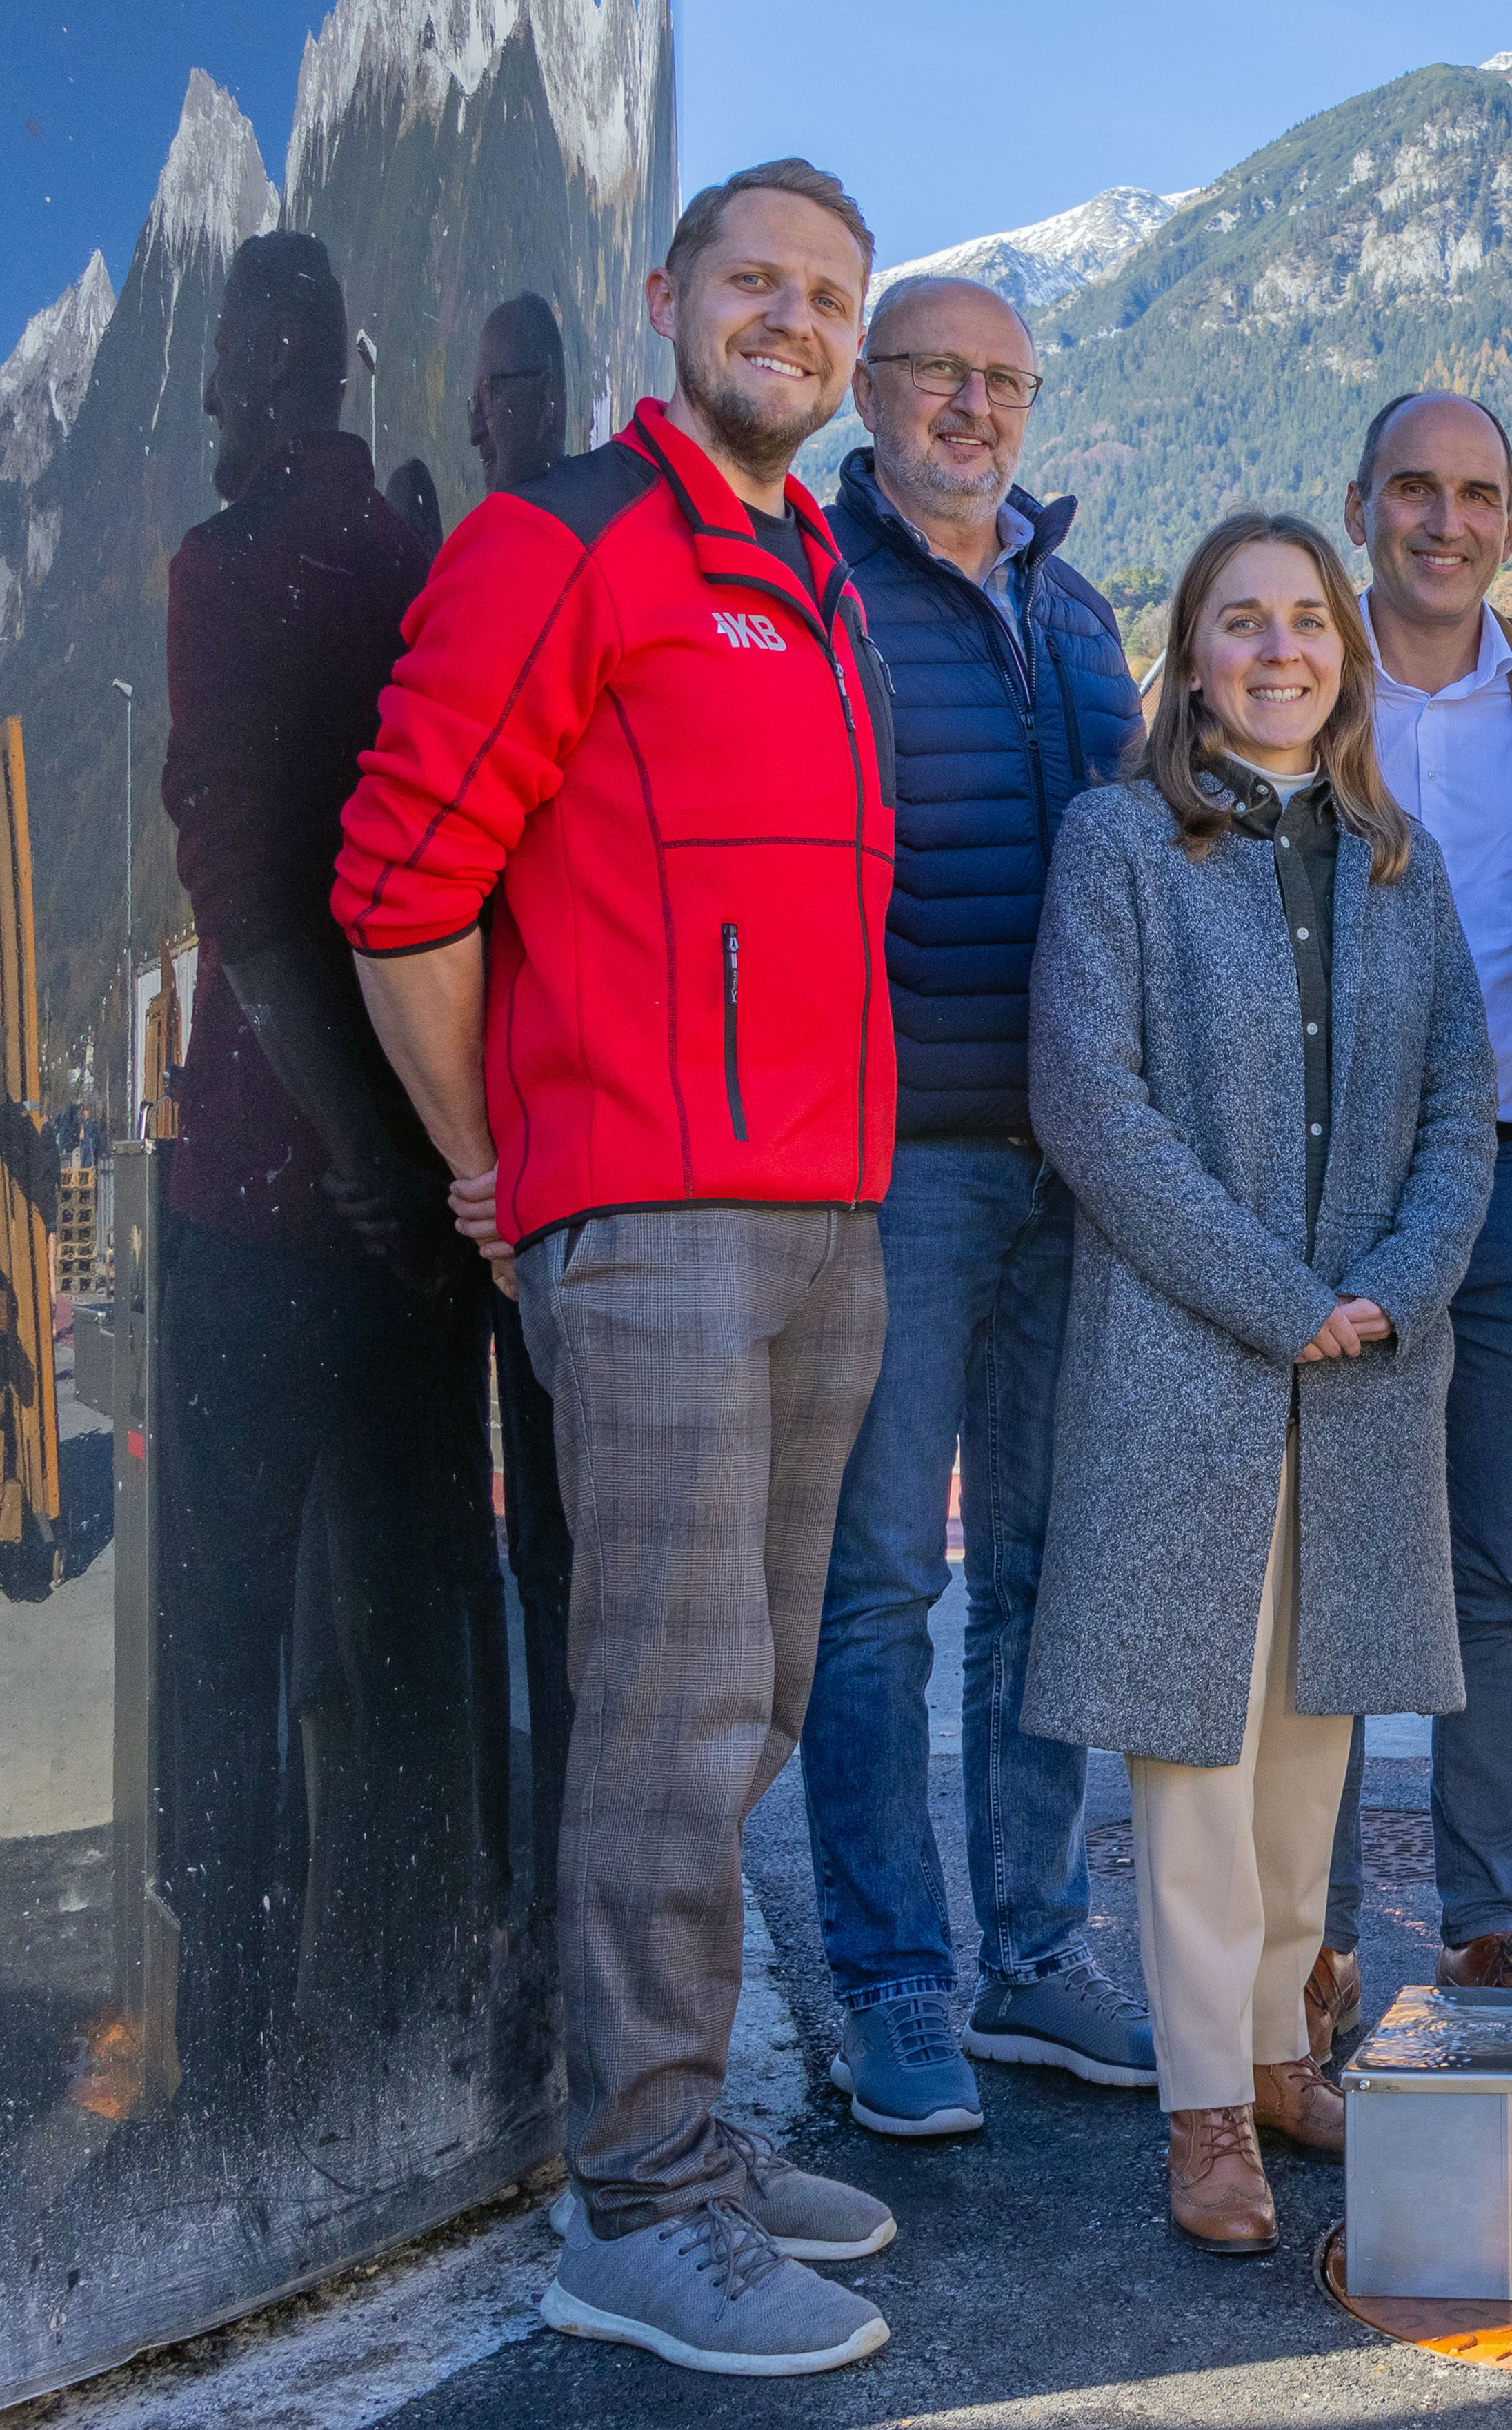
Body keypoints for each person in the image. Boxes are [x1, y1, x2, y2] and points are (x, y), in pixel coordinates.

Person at [337, 160, 906, 2375]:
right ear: (664, 298)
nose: (792, 318)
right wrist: (501, 1159)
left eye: (827, 297)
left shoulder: (809, 571)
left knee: (741, 1702)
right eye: (753, 280)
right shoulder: (564, 539)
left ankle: (681, 2136)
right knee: (668, 1722)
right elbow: (402, 881)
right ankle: (640, 2199)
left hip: (820, 1227)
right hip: (652, 1224)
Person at [1021, 511, 1491, 2255]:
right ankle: (1204, 2107)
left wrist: (1395, 1283)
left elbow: (1462, 1098)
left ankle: (1294, 2043)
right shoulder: (1120, 844)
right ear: (1190, 655)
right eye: (1241, 621)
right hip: (1187, 1361)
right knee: (1193, 1753)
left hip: (1361, 1364)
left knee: (1315, 1733)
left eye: (1306, 620)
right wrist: (1280, 1297)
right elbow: (1091, 1104)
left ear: (1342, 657)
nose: (1280, 649)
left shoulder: (1396, 858)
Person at [800, 275, 1150, 2137]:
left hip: (1071, 1164)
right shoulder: (821, 582)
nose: (974, 405)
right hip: (903, 1161)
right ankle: (891, 1982)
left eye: (1006, 380)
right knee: (881, 1586)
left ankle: (1031, 1956)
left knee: (1043, 1578)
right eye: (939, 371)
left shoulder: (1075, 605)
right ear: (870, 387)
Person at [157, 226, 499, 2108]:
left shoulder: (233, 569)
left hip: (270, 1195)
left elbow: (248, 904)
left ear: (279, 374)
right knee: (417, 1623)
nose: (211, 396)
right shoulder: (414, 560)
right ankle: (414, 2025)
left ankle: (227, 2072)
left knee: (226, 1640)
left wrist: (358, 1153)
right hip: (414, 1208)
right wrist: (421, 1161)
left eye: (229, 359)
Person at [1303, 391, 1512, 2035]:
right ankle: (1318, 1927)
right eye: (1412, 489)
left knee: (1500, 1570)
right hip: (1326, 1190)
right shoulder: (1290, 658)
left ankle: (1487, 1922)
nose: (1445, 519)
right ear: (1360, 506)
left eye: (1477, 492)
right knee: (1342, 1570)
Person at [465, 290, 579, 1934]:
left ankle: (544, 1905)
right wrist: (464, 1147)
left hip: (572, 1178)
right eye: (494, 386)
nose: (510, 409)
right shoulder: (504, 566)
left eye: (530, 386)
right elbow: (398, 887)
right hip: (512, 1164)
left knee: (578, 1579)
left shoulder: (582, 556)